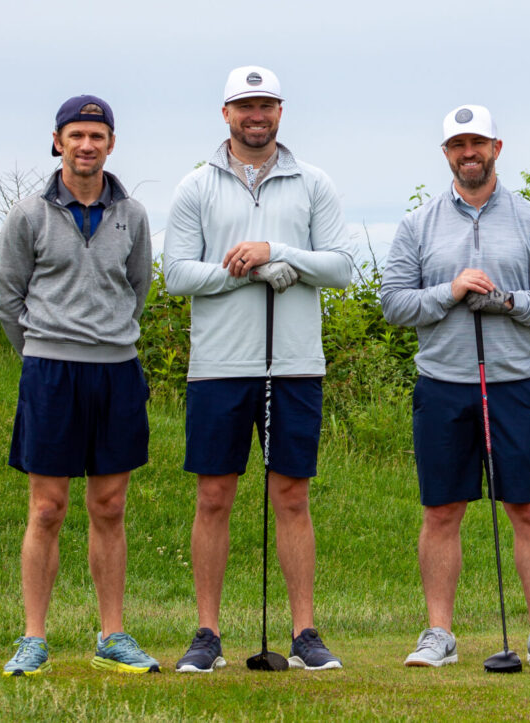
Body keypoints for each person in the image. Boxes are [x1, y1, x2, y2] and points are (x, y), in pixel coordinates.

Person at [164, 66, 353, 672]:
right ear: (226, 113)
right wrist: (241, 268)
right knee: (214, 495)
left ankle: (304, 633)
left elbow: (341, 266)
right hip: (218, 365)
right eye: (245, 105)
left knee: (291, 495)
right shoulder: (196, 186)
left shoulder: (313, 182)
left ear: (279, 111)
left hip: (293, 364)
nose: (256, 114)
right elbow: (176, 273)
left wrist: (282, 254)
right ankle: (206, 633)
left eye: (266, 104)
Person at [381, 105, 530, 668]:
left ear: (497, 147)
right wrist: (450, 291)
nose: (469, 153)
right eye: (458, 144)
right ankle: (439, 633)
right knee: (442, 511)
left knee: (529, 508)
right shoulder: (418, 224)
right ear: (446, 153)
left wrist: (511, 302)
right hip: (443, 383)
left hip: (513, 383)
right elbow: (395, 303)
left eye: (479, 143)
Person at [0, 95, 158, 676]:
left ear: (112, 144)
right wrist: (43, 352)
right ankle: (34, 638)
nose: (86, 144)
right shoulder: (28, 214)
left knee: (109, 506)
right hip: (50, 373)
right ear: (57, 141)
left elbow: (137, 290)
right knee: (47, 508)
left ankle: (112, 636)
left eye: (97, 135)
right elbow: (7, 299)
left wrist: (106, 341)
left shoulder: (132, 214)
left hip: (116, 371)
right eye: (76, 134)